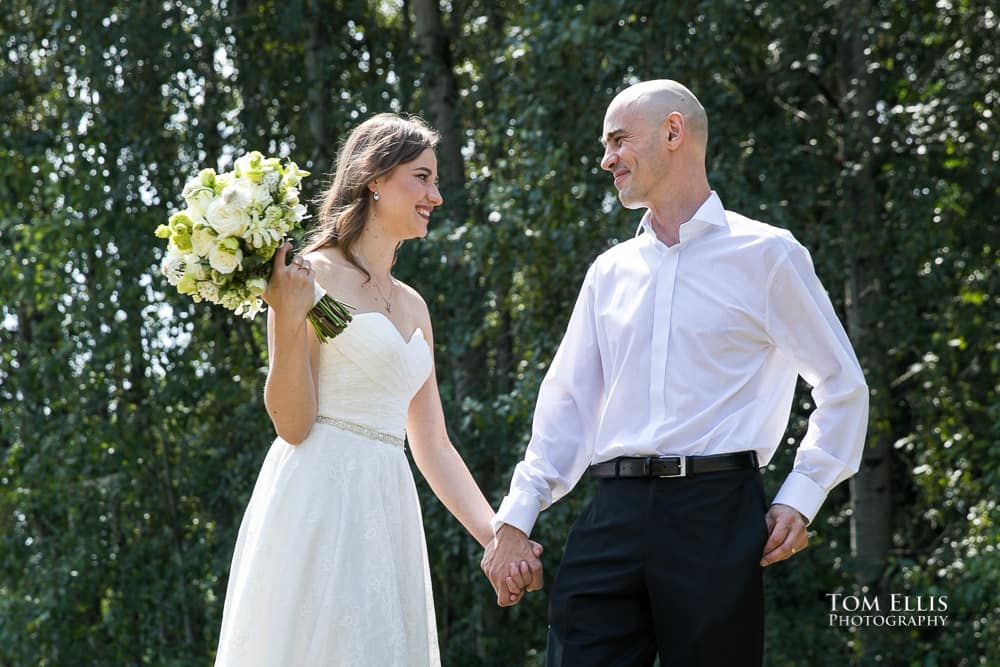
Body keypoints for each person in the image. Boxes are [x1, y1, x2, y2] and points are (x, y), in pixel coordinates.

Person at [481, 80, 870, 666]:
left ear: (672, 132)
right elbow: (568, 405)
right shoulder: (608, 272)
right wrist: (515, 517)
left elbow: (842, 384)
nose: (606, 159)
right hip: (611, 512)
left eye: (617, 141)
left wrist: (802, 495)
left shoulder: (768, 256)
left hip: (716, 515)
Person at [215, 113, 540, 666]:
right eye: (422, 177)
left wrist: (496, 535)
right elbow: (292, 425)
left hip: (387, 504)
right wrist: (287, 320)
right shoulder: (305, 276)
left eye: (434, 181)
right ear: (375, 179)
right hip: (319, 497)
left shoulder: (414, 306)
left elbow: (432, 444)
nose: (435, 195)